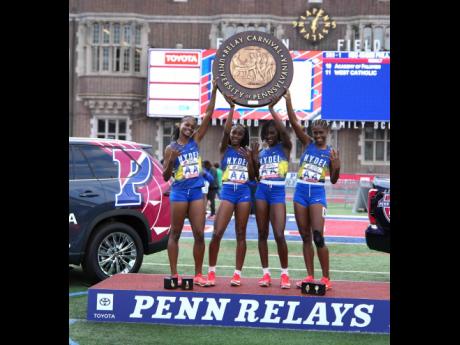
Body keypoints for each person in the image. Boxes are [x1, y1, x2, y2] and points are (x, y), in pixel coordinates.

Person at [162, 79, 218, 287]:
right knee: (174, 233)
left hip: (195, 192)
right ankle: (174, 274)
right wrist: (171, 161)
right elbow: (165, 177)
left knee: (198, 234)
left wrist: (214, 92)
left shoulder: (195, 142)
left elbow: (209, 116)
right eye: (187, 125)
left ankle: (198, 274)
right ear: (180, 125)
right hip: (178, 193)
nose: (190, 128)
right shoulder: (170, 147)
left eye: (192, 126)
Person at [283, 89, 340, 291]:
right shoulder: (307, 143)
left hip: (317, 194)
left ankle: (326, 278)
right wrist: (288, 101)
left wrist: (337, 165)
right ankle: (309, 275)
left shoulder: (331, 152)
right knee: (305, 237)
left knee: (318, 236)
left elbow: (333, 180)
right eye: (315, 132)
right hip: (300, 193)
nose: (317, 136)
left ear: (327, 133)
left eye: (320, 133)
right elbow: (293, 121)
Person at [206, 94, 255, 287]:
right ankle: (211, 272)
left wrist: (251, 159)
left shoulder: (248, 152)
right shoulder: (224, 148)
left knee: (241, 233)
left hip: (243, 193)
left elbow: (253, 177)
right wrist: (232, 108)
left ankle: (237, 274)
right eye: (233, 133)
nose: (234, 135)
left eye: (239, 134)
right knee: (217, 232)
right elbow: (225, 131)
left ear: (244, 137)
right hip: (227, 192)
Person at [251, 94, 292, 289]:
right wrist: (252, 158)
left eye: (273, 132)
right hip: (261, 191)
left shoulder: (285, 148)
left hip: (277, 192)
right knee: (262, 233)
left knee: (279, 234)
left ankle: (285, 274)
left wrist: (271, 110)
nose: (270, 135)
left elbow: (284, 131)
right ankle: (265, 274)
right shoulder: (261, 152)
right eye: (267, 132)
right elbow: (255, 176)